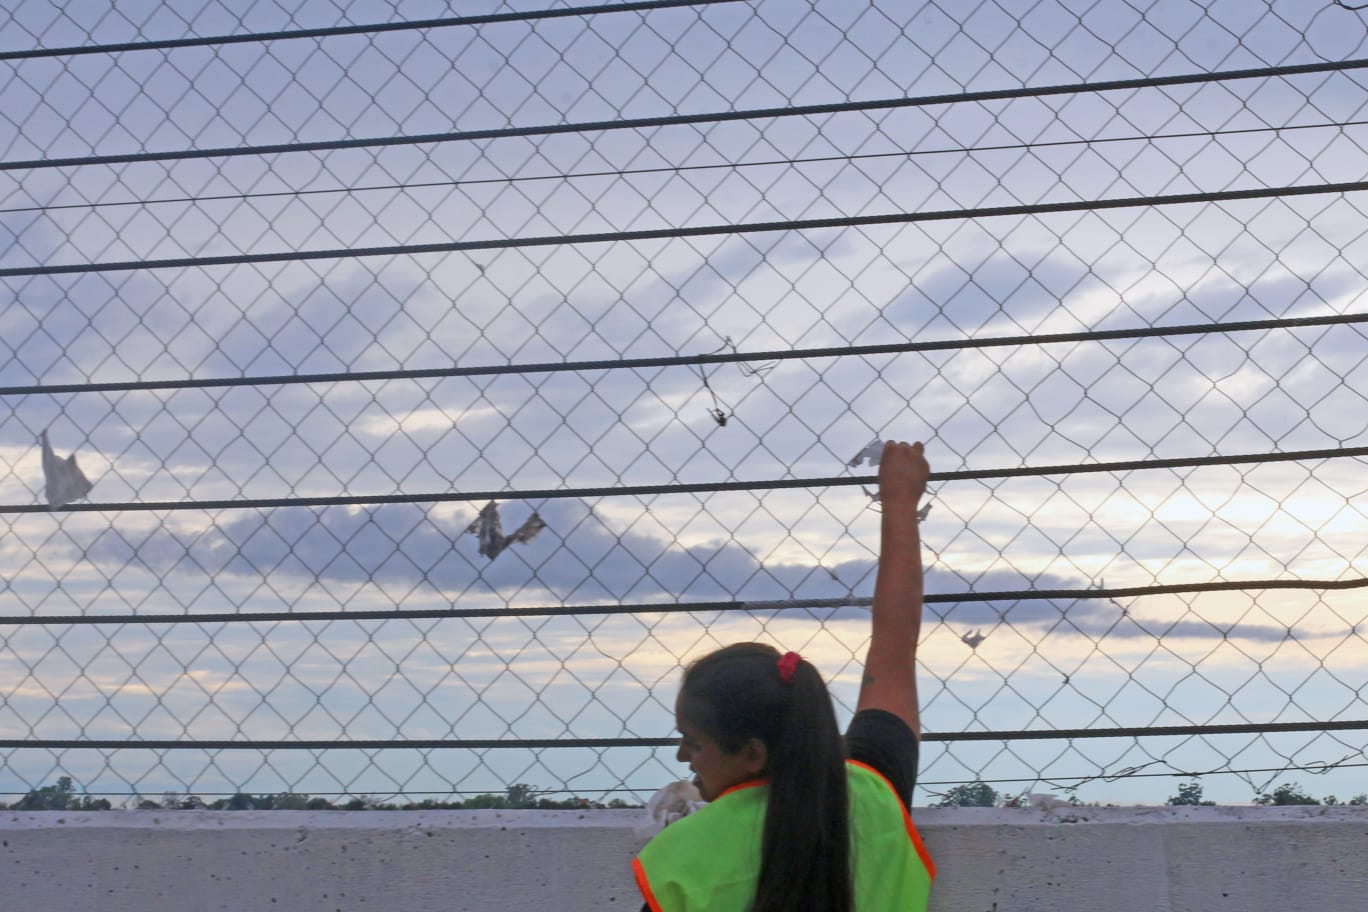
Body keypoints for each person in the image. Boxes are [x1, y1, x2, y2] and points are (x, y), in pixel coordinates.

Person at [633, 440, 935, 912]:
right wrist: (899, 500)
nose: (681, 757)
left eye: (694, 742)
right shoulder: (875, 793)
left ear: (753, 753)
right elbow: (894, 647)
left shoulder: (686, 859)